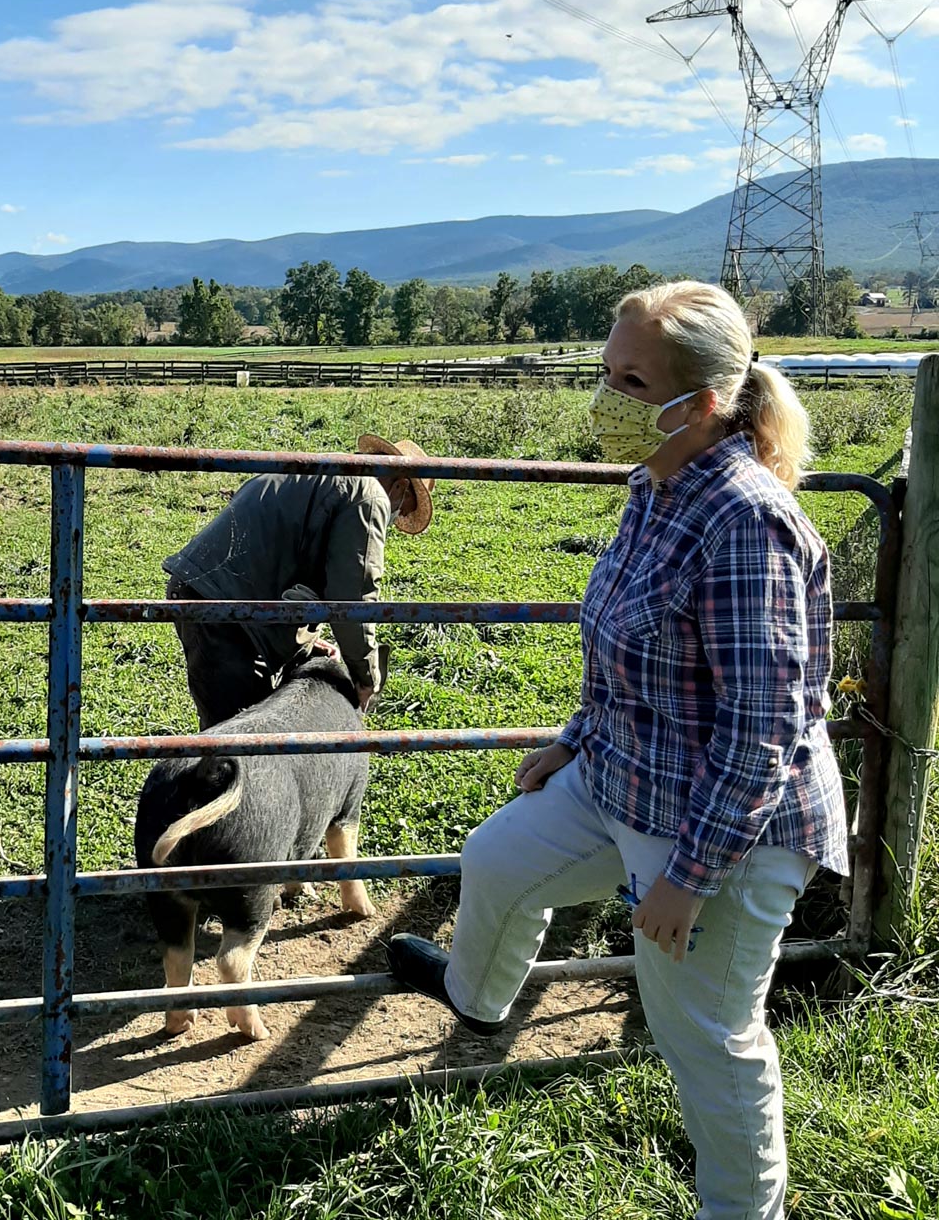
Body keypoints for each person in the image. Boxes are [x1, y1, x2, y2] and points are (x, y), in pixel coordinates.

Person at [388, 281, 846, 1220]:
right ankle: (477, 1000)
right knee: (497, 858)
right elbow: (627, 647)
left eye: (630, 382)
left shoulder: (742, 522)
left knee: (710, 1040)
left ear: (706, 401)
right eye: (607, 375)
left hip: (727, 823)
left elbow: (762, 725)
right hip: (630, 771)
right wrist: (575, 739)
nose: (607, 402)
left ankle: (743, 1209)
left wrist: (688, 876)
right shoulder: (657, 484)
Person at [163, 434, 435, 729]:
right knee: (238, 741)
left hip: (211, 594)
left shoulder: (325, 473)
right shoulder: (368, 493)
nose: (397, 517)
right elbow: (354, 597)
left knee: (239, 732)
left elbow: (282, 558)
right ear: (400, 486)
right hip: (222, 611)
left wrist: (308, 640)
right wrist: (365, 676)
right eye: (404, 509)